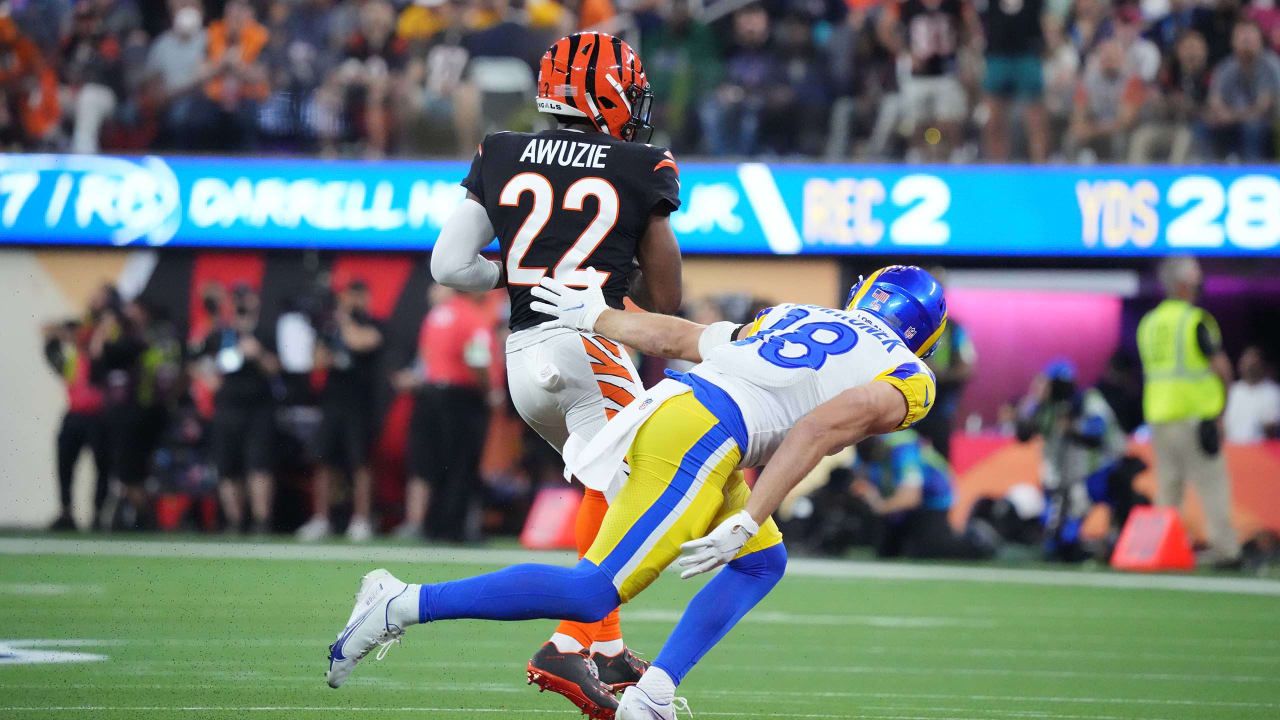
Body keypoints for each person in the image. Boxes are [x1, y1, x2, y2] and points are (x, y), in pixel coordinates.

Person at [322, 265, 944, 720]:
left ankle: (651, 695)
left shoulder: (796, 315)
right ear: (923, 334)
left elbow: (686, 341)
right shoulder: (910, 375)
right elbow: (816, 428)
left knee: (762, 563)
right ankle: (400, 601)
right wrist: (753, 512)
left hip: (684, 412)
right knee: (593, 591)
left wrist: (596, 316)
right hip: (705, 438)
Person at [428, 31, 683, 718]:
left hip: (524, 353)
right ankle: (572, 639)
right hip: (588, 344)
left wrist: (513, 275)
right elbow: (667, 297)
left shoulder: (500, 148)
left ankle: (606, 645)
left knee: (607, 482)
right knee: (639, 487)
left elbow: (448, 265)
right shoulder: (641, 162)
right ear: (604, 92)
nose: (635, 105)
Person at [1137, 256, 1240, 567]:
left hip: (1159, 416)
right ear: (1183, 285)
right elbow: (1220, 367)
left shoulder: (1149, 323)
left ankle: (1162, 549)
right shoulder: (1195, 321)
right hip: (1195, 418)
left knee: (1168, 489)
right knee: (1212, 485)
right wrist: (1222, 408)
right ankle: (1226, 550)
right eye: (1196, 277)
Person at [394, 285, 498, 543]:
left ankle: (432, 527)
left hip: (429, 395)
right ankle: (455, 529)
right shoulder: (472, 317)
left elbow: (425, 358)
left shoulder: (436, 316)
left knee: (434, 463)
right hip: (461, 397)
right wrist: (489, 391)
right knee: (461, 464)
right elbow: (477, 359)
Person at [1015, 359, 1141, 561]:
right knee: (1056, 544)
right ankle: (1070, 543)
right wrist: (1033, 403)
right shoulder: (1045, 407)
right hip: (1061, 480)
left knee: (1078, 509)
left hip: (1096, 474)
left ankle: (1110, 541)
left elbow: (1096, 434)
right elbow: (1022, 434)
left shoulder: (1087, 400)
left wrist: (1072, 427)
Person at [297, 279, 385, 543]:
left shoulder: (374, 323)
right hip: (333, 403)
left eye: (357, 296)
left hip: (359, 406)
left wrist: (344, 320)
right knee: (323, 461)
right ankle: (321, 518)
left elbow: (362, 343)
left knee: (359, 464)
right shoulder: (329, 329)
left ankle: (361, 520)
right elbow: (317, 362)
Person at [192, 284, 279, 534]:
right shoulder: (220, 333)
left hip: (258, 408)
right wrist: (210, 380)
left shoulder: (264, 332)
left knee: (258, 465)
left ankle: (261, 522)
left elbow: (276, 368)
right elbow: (197, 361)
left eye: (246, 299)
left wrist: (257, 352)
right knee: (227, 467)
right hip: (227, 408)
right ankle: (235, 521)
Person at [850, 429, 991, 560]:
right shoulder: (863, 443)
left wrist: (879, 505)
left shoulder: (904, 447)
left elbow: (911, 498)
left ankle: (979, 542)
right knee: (887, 551)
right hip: (895, 503)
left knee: (928, 549)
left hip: (933, 502)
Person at [912, 270, 975, 460]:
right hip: (906, 409)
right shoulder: (904, 322)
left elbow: (968, 368)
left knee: (940, 469)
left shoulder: (954, 329)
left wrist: (935, 375)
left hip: (939, 411)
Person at [1204, 19, 1280, 161]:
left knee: (1251, 128)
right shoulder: (1225, 67)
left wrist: (1232, 117)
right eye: (1241, 35)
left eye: (1250, 34)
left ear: (1260, 39)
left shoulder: (1271, 65)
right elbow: (1215, 100)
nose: (1245, 39)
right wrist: (1222, 114)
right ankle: (1209, 169)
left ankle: (1252, 170)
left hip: (1268, 122)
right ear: (1232, 41)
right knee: (1203, 127)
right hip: (1232, 122)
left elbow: (1263, 107)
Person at [1223, 346, 1280, 443]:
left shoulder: (1272, 392)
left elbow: (1272, 429)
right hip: (1233, 450)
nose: (1249, 366)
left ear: (1261, 364)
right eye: (1246, 361)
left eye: (1253, 363)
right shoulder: (1234, 391)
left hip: (1261, 452)